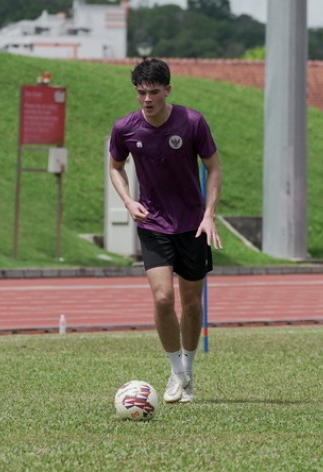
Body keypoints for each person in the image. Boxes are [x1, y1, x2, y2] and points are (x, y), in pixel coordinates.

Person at [108, 58, 222, 404]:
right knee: (162, 298)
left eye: (154, 92)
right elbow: (116, 167)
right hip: (153, 223)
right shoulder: (125, 128)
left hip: (192, 224)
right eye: (141, 92)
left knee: (191, 303)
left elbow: (214, 168)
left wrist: (209, 215)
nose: (146, 99)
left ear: (167, 90)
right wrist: (128, 201)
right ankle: (176, 371)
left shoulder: (192, 122)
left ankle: (189, 368)